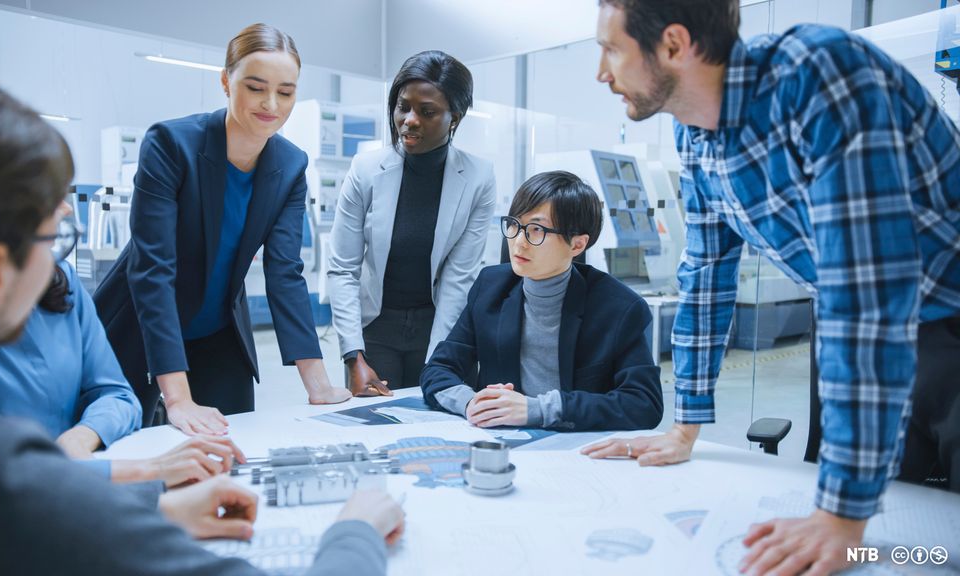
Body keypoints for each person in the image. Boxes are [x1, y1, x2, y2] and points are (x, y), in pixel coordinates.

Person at [0, 72, 404, 576]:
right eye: (54, 233)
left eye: (286, 90)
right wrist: (355, 532)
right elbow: (31, 494)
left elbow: (106, 404)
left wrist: (151, 492)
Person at [581, 1, 960, 574]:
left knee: (940, 538)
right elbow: (705, 281)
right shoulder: (695, 139)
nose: (601, 73)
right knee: (888, 548)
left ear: (675, 44)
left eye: (610, 49)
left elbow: (865, 298)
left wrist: (839, 517)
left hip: (942, 325)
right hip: (862, 328)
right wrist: (686, 426)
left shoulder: (818, 78)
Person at [94, 23, 351, 436]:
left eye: (286, 92)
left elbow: (285, 271)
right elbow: (152, 269)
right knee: (127, 447)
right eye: (255, 87)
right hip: (141, 324)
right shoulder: (172, 145)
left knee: (232, 444)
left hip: (218, 330)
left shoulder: (290, 165)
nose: (271, 104)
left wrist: (317, 382)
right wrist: (178, 399)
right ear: (226, 82)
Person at [0, 256, 248, 488]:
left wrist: (83, 435)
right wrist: (147, 474)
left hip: (78, 489)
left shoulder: (61, 280)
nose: (66, 209)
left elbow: (117, 394)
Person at [421, 171, 662, 431]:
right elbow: (438, 369)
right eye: (514, 225)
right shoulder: (490, 288)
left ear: (577, 245)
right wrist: (471, 403)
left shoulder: (618, 308)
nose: (518, 242)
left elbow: (644, 403)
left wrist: (537, 409)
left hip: (576, 450)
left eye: (536, 229)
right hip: (502, 443)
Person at [327, 50, 496, 396]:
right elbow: (343, 268)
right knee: (374, 427)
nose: (410, 120)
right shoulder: (366, 170)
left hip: (440, 324)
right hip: (376, 326)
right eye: (403, 106)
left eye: (427, 111)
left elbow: (458, 277)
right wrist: (352, 356)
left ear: (455, 118)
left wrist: (439, 363)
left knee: (438, 427)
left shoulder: (479, 177)